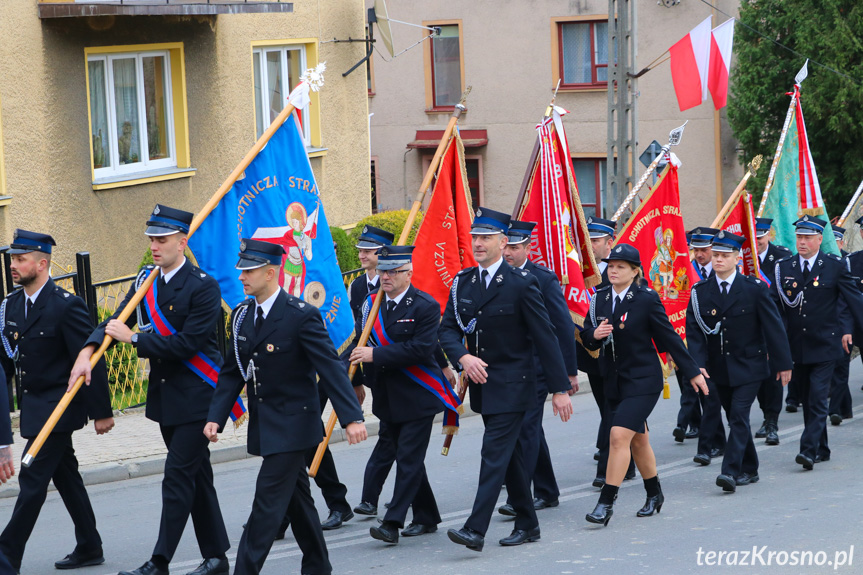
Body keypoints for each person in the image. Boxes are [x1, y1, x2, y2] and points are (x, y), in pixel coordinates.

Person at [71, 206, 230, 575]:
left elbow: (187, 345)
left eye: (162, 239)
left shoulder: (203, 286)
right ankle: (217, 558)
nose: (155, 246)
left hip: (198, 397)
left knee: (176, 476)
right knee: (197, 477)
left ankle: (159, 562)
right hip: (167, 400)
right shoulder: (147, 279)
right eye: (151, 240)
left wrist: (136, 340)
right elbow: (117, 319)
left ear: (182, 241)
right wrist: (87, 350)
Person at [205, 239, 367, 575]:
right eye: (241, 271)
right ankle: (319, 566)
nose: (242, 277)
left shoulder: (301, 315)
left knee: (265, 505)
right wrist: (216, 417)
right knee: (299, 502)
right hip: (267, 426)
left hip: (295, 427)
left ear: (270, 272)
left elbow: (330, 368)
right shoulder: (241, 316)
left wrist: (351, 417)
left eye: (249, 271)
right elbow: (234, 370)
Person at [439, 207, 573, 551]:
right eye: (475, 238)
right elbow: (448, 331)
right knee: (512, 455)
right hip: (485, 387)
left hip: (516, 386)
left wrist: (560, 387)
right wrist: (463, 357)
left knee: (494, 453)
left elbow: (546, 337)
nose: (478, 244)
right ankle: (528, 524)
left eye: (485, 238)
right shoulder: (463, 282)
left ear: (503, 242)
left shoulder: (523, 283)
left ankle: (475, 529)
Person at [0, 230, 114, 573]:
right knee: (66, 475)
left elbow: (91, 358)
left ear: (42, 263)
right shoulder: (10, 306)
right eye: (13, 259)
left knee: (32, 474)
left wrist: (102, 412)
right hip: (34, 405)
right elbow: (4, 364)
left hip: (61, 406)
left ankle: (6, 555)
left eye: (21, 260)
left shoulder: (67, 305)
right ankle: (90, 545)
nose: (14, 265)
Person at [581, 243, 707, 525]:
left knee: (617, 436)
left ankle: (606, 503)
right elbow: (588, 338)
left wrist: (692, 372)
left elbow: (668, 337)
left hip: (643, 380)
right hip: (613, 381)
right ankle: (655, 494)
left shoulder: (646, 298)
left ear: (635, 271)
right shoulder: (599, 298)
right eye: (611, 266)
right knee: (638, 441)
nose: (613, 271)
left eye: (620, 267)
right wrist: (595, 334)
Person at [349, 245, 458, 543]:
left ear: (408, 273)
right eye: (383, 271)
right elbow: (360, 342)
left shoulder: (424, 305)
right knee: (407, 457)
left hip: (418, 394)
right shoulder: (371, 304)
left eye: (392, 271)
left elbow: (421, 349)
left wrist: (376, 355)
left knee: (408, 458)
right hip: (386, 396)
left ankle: (392, 522)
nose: (385, 276)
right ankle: (426, 515)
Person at [685, 232, 792, 493]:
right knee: (735, 419)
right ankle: (751, 467)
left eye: (724, 255)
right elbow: (694, 332)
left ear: (736, 258)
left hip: (750, 366)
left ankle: (730, 472)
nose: (718, 260)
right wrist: (697, 364)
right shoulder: (700, 291)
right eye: (716, 255)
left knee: (739, 416)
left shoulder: (754, 288)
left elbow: (773, 327)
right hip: (717, 368)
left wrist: (783, 363)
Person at [497, 220, 578, 517]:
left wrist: (568, 374)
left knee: (526, 430)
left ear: (528, 248)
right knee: (530, 430)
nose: (508, 253)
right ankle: (547, 490)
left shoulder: (542, 278)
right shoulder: (498, 277)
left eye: (515, 248)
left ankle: (522, 496)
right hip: (511, 367)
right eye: (506, 246)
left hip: (539, 368)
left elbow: (562, 326)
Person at [772, 215, 863, 470]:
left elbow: (854, 300)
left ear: (819, 239)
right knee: (809, 396)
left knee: (817, 398)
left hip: (826, 345)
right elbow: (774, 307)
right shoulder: (784, 267)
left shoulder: (834, 266)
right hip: (797, 345)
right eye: (799, 237)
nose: (802, 242)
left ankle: (808, 450)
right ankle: (822, 447)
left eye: (808, 237)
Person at [673, 227, 718, 444]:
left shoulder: (723, 269)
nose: (699, 254)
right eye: (696, 249)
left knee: (710, 387)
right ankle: (691, 423)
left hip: (717, 337)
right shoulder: (685, 270)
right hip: (689, 334)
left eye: (704, 249)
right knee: (688, 379)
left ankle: (709, 429)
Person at [753, 217, 792, 443]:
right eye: (754, 237)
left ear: (769, 235)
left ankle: (772, 421)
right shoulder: (742, 258)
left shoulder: (782, 257)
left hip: (776, 322)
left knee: (774, 374)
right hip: (750, 325)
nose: (757, 242)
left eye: (760, 237)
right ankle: (766, 414)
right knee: (758, 375)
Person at [828, 225, 853, 425]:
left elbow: (846, 301)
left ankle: (835, 409)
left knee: (841, 368)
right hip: (824, 327)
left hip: (844, 324)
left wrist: (846, 329)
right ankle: (844, 407)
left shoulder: (845, 263)